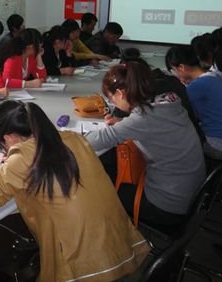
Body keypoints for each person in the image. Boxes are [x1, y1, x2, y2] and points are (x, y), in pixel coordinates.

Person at [0, 100, 149, 282]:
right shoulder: (74, 138)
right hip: (123, 248)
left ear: (9, 138)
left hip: (83, 270)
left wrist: (4, 167)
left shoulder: (20, 160)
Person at [85, 61, 206, 228]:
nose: (113, 104)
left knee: (98, 184)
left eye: (111, 99)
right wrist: (124, 123)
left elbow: (95, 141)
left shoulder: (143, 117)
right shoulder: (169, 100)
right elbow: (151, 124)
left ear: (120, 93)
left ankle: (111, 233)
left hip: (167, 205)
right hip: (190, 195)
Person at [166, 45, 222, 160]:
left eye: (173, 71)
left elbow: (179, 112)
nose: (175, 75)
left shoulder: (198, 85)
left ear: (181, 67)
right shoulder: (214, 77)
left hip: (217, 146)